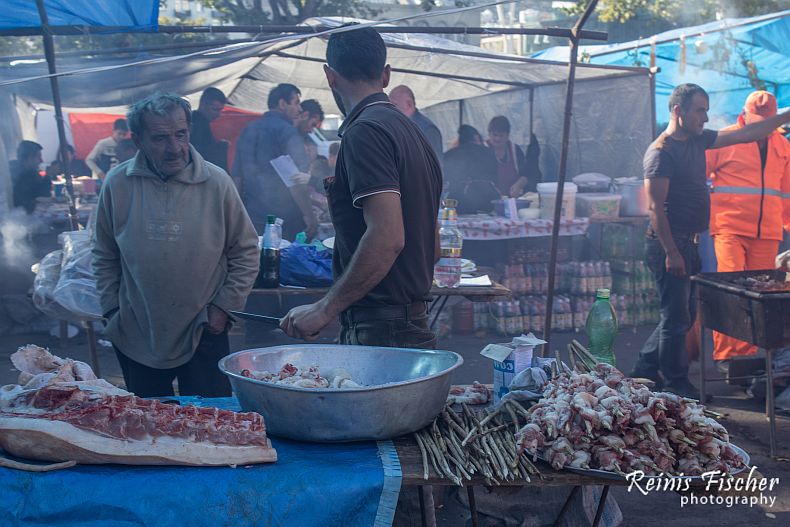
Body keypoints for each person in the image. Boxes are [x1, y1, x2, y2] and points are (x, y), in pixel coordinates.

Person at [281, 26, 442, 349]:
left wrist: (323, 309)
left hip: (383, 333)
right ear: (386, 75)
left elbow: (388, 237)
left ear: (330, 77)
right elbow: (433, 246)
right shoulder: (412, 133)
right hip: (405, 325)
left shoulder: (365, 132)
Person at [92, 92, 259, 398]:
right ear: (138, 139)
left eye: (181, 134)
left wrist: (224, 308)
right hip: (137, 329)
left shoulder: (216, 182)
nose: (175, 148)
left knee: (211, 423)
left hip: (204, 328)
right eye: (160, 138)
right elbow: (103, 253)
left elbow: (246, 251)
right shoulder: (117, 184)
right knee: (147, 424)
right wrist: (111, 308)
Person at [631, 83, 790, 399]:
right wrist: (671, 252)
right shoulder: (661, 152)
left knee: (683, 315)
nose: (705, 117)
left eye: (706, 109)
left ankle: (643, 371)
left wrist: (786, 115)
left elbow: (741, 136)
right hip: (671, 244)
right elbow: (654, 208)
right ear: (679, 112)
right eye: (700, 110)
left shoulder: (699, 139)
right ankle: (677, 383)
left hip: (690, 242)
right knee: (677, 318)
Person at [705, 91, 790, 366]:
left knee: (764, 297)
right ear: (744, 114)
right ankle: (728, 357)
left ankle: (754, 356)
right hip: (729, 227)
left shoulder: (783, 146)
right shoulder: (724, 139)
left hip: (767, 233)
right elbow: (697, 180)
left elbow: (787, 193)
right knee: (731, 293)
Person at [232, 83, 317, 240]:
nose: (299, 109)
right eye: (296, 103)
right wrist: (310, 216)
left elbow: (237, 176)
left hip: (253, 217)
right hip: (286, 221)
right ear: (282, 104)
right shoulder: (287, 132)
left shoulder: (248, 130)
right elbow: (296, 180)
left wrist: (236, 214)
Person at [443, 124, 499, 213]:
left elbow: (444, 179)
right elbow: (495, 178)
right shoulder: (488, 153)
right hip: (487, 202)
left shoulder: (450, 154)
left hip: (459, 204)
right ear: (475, 137)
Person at [486, 116, 541, 197]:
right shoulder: (483, 150)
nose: (497, 139)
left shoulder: (515, 150)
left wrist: (519, 184)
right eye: (494, 135)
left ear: (508, 135)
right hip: (490, 199)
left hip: (513, 198)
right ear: (489, 134)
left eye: (501, 136)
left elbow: (527, 172)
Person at [390, 84, 443, 163]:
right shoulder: (400, 126)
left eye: (394, 105)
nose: (390, 109)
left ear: (408, 104)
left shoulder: (427, 130)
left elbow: (435, 167)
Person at [190, 87, 229, 171]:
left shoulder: (201, 123)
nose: (219, 114)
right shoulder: (197, 126)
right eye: (215, 109)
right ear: (203, 104)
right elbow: (201, 157)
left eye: (220, 110)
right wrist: (222, 147)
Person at [12, 140, 49, 213]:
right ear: (29, 158)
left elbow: (45, 195)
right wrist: (47, 177)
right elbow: (39, 198)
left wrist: (47, 177)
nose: (41, 161)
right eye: (38, 157)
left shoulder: (32, 172)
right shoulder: (14, 174)